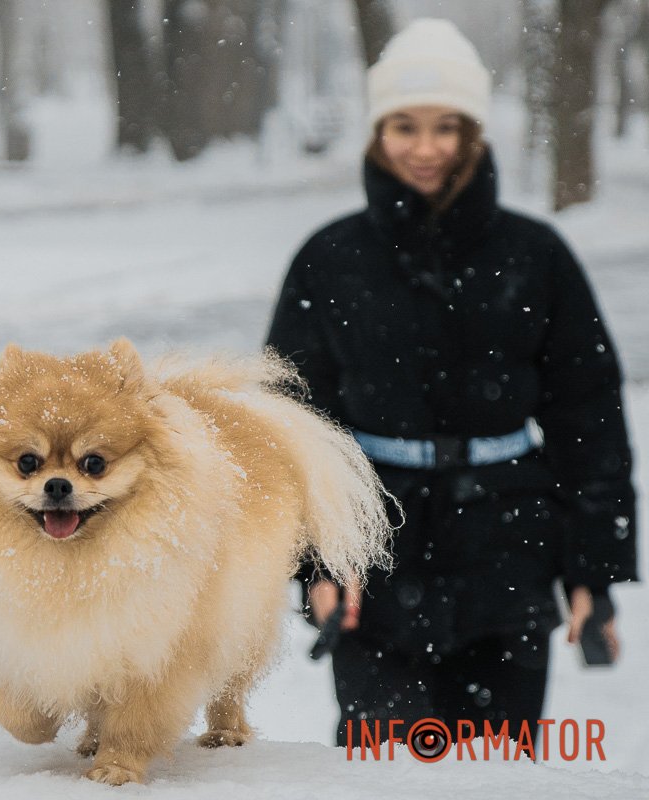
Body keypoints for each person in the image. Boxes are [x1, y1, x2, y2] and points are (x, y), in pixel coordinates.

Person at [266, 18, 638, 746]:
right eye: (405, 126)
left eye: (447, 127)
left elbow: (588, 417)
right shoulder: (330, 259)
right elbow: (292, 425)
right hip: (373, 551)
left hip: (510, 549)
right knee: (384, 767)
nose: (427, 148)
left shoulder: (536, 256)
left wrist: (593, 574)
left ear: (474, 133)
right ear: (378, 133)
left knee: (495, 767)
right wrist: (314, 560)